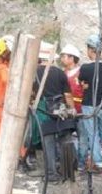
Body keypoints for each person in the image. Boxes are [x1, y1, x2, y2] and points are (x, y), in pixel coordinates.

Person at [30, 43, 75, 182]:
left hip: (44, 110)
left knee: (48, 143)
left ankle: (51, 174)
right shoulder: (60, 73)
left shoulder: (34, 72)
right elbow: (67, 94)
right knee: (63, 141)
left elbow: (31, 93)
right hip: (60, 109)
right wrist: (71, 109)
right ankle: (67, 171)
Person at [78, 34, 102, 174]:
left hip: (90, 104)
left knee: (93, 134)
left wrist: (86, 86)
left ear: (91, 49)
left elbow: (82, 84)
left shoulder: (85, 68)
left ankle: (99, 164)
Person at [60, 44, 84, 113]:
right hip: (66, 108)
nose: (62, 59)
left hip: (80, 108)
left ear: (72, 58)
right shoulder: (63, 73)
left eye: (64, 57)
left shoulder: (81, 73)